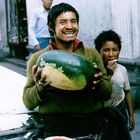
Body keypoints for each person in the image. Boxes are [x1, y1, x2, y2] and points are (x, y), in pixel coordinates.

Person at [23, 3, 112, 139]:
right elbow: (28, 102)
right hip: (55, 125)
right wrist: (39, 89)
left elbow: (107, 93)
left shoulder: (92, 55)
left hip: (91, 122)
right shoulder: (38, 59)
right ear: (51, 27)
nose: (70, 26)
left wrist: (98, 84)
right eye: (63, 22)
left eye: (73, 21)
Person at [94, 29, 135, 140]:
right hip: (104, 113)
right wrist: (108, 74)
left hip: (120, 109)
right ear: (98, 52)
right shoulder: (96, 71)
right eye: (106, 50)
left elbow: (127, 92)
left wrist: (131, 115)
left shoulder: (122, 69)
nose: (111, 54)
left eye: (115, 50)